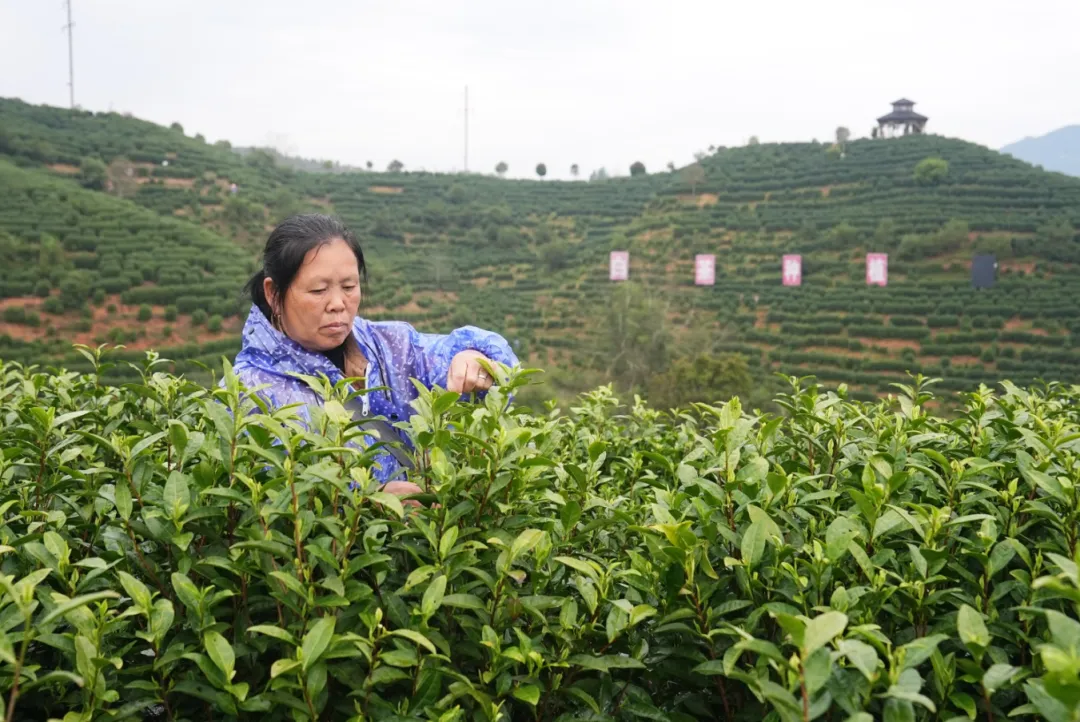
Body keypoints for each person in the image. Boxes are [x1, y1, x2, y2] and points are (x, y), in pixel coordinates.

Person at [232, 213, 518, 501]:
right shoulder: (249, 392)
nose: (337, 304)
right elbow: (267, 507)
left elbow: (464, 357)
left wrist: (472, 358)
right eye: (318, 290)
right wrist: (361, 506)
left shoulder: (388, 345)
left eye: (349, 287)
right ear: (273, 293)